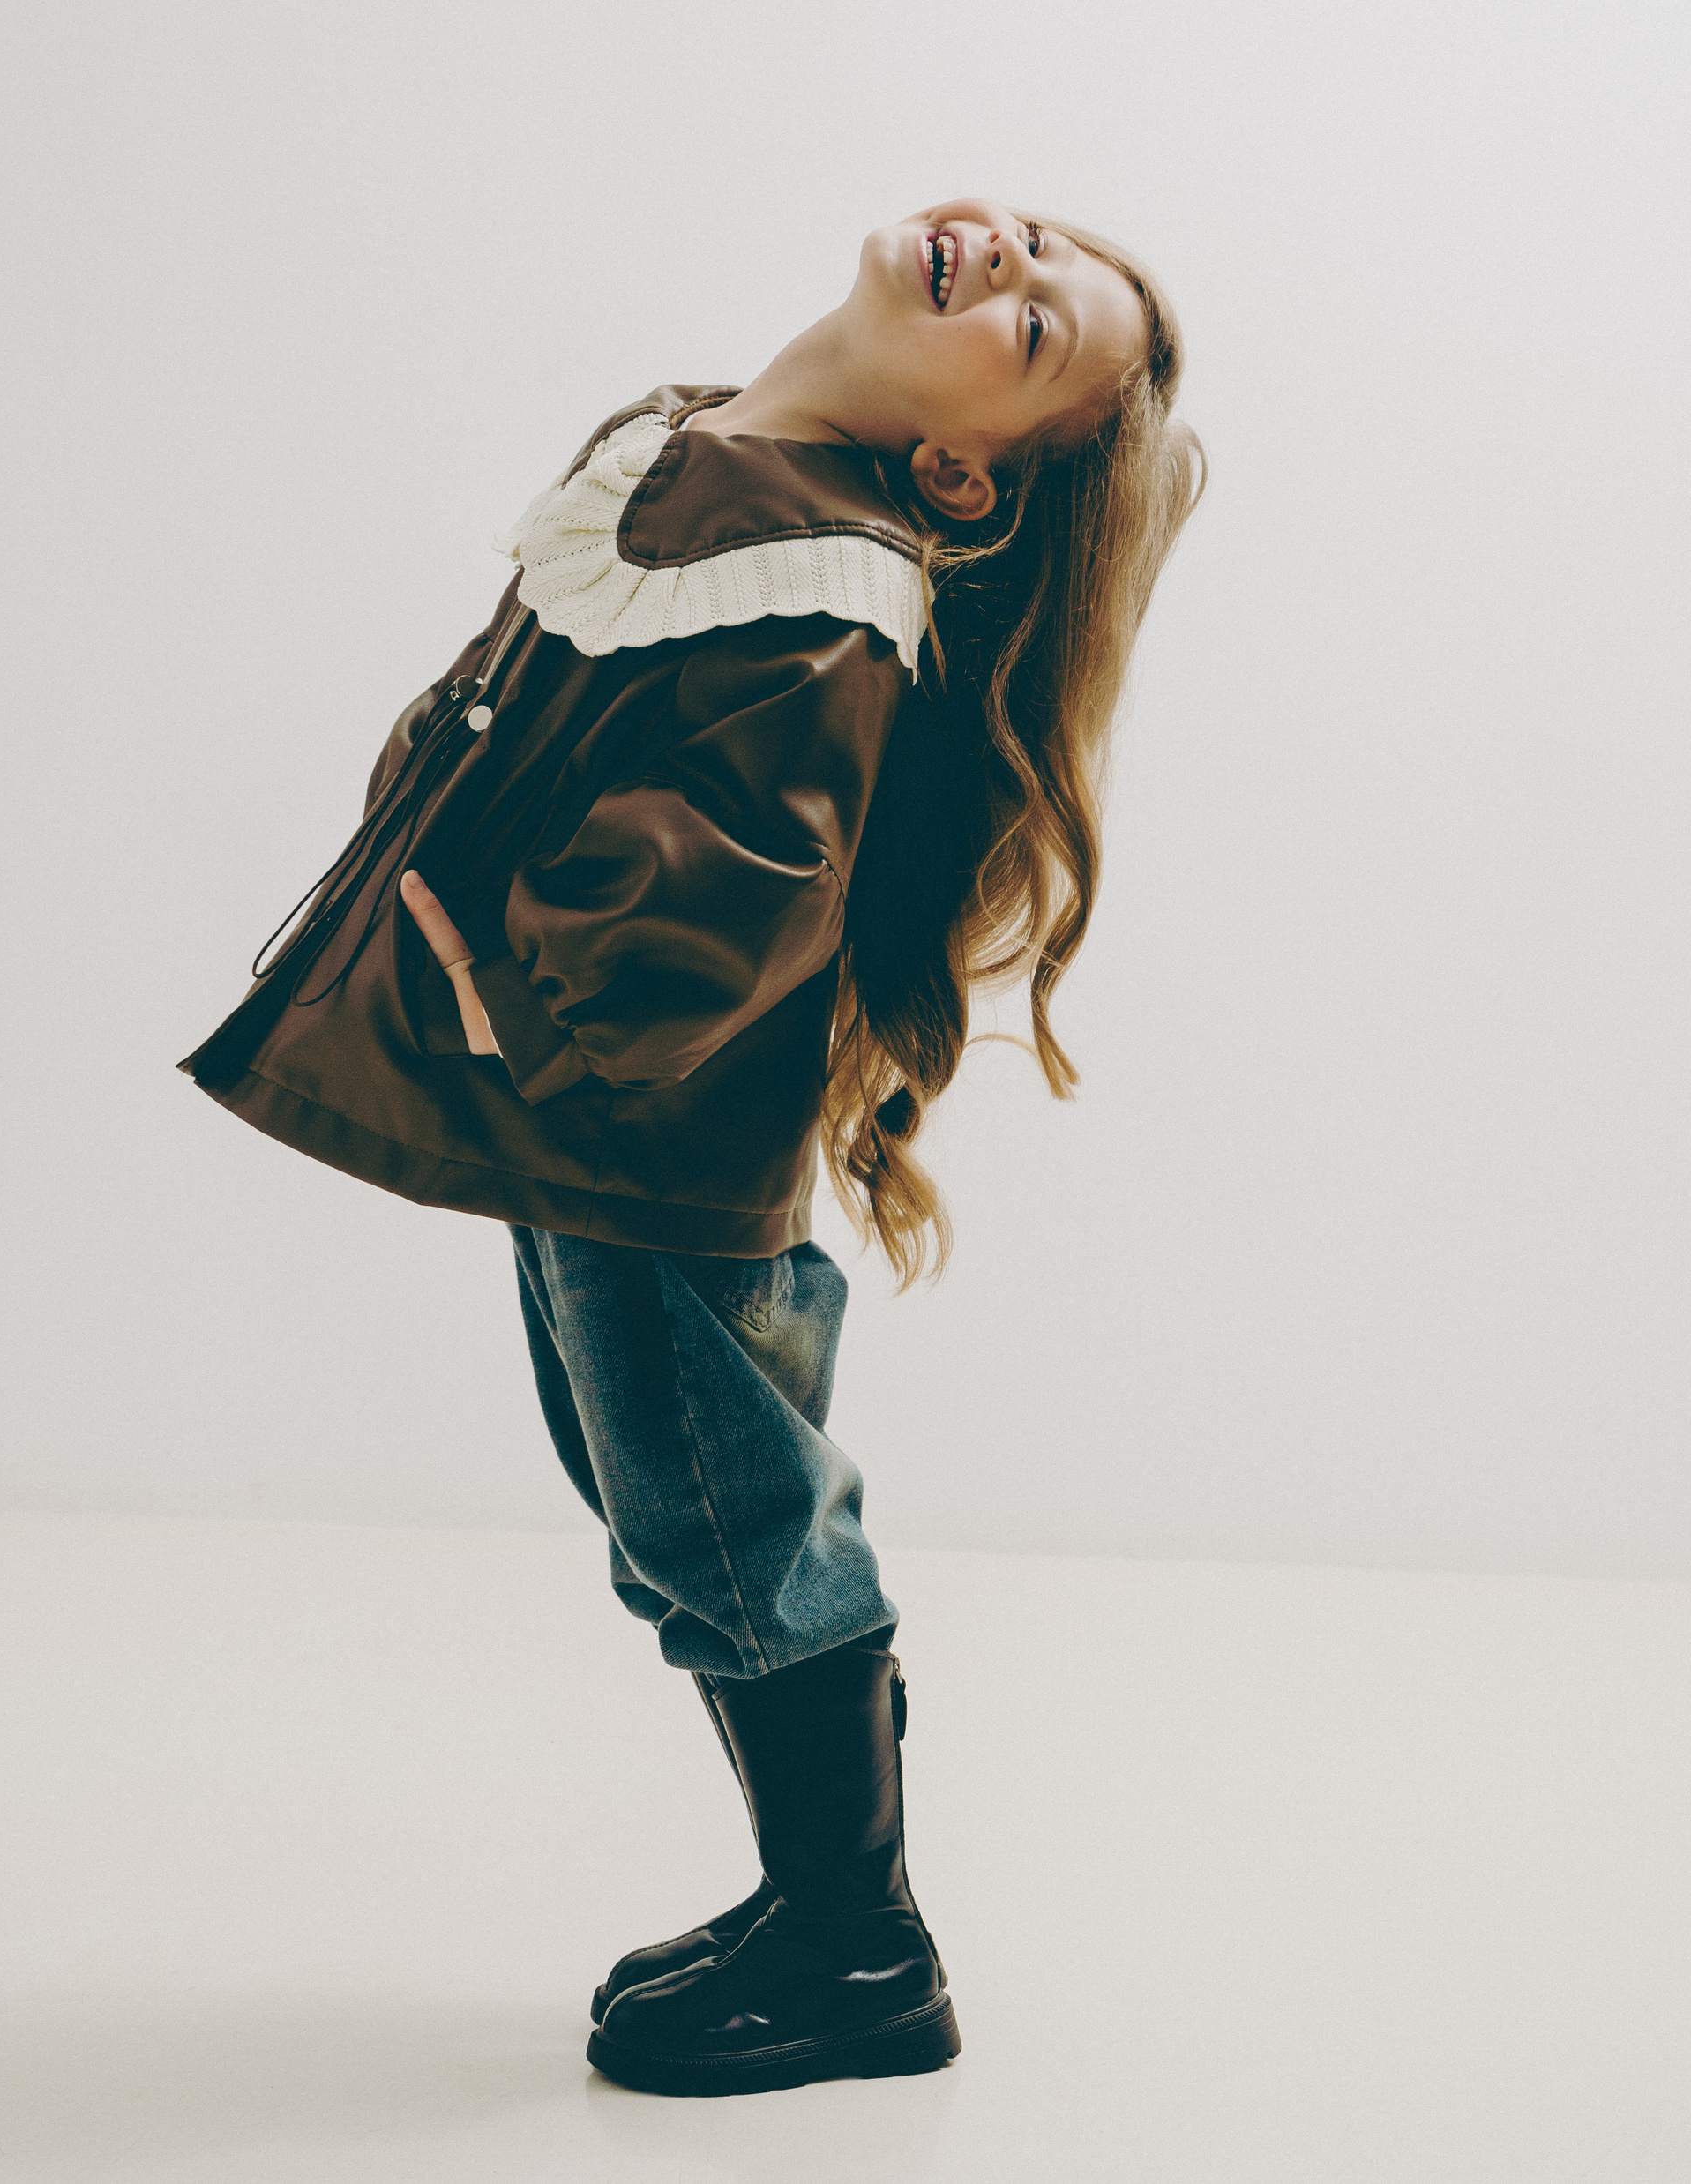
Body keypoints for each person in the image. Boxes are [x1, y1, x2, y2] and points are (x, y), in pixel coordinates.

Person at [176, 196, 1205, 2097]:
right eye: (1040, 241)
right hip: (586, 1132)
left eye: (1040, 328)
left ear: (961, 471)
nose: (1014, 260)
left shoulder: (824, 588)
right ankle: (816, 1893)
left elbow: (715, 894)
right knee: (670, 1504)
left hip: (649, 1152)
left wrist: (505, 956)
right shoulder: (712, 459)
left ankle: (861, 1944)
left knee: (724, 1524)